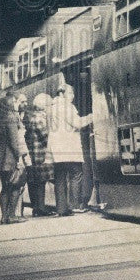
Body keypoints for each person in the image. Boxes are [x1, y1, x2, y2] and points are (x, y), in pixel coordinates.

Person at [48, 83, 89, 216]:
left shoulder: (51, 108)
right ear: (62, 93)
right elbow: (78, 123)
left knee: (60, 178)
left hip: (56, 149)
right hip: (69, 147)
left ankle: (61, 209)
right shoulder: (66, 107)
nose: (73, 96)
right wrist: (91, 117)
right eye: (70, 93)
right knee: (76, 175)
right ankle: (74, 205)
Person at [0, 92, 30, 224]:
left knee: (5, 187)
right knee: (15, 186)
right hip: (10, 158)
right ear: (9, 105)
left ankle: (4, 216)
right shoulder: (11, 117)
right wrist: (19, 157)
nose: (16, 103)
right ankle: (11, 215)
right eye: (14, 102)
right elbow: (13, 141)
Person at [24, 93, 56, 217]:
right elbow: (45, 136)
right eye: (49, 105)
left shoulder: (33, 118)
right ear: (44, 106)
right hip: (41, 154)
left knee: (37, 181)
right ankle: (40, 208)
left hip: (35, 154)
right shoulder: (40, 118)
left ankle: (37, 208)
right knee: (42, 181)